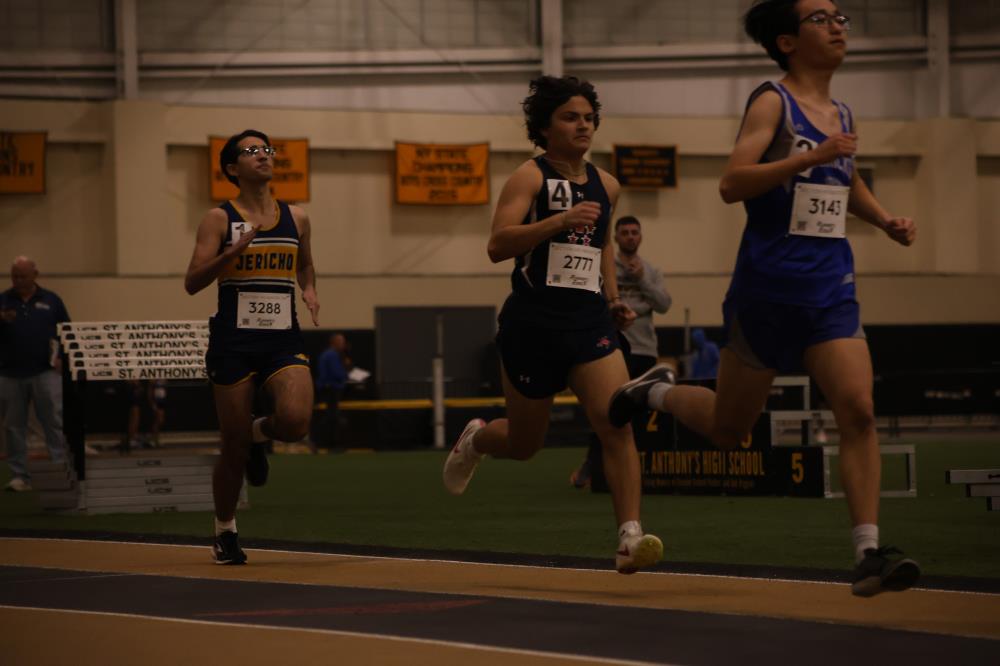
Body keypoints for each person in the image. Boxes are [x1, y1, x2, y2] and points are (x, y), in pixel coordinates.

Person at [609, 0, 920, 596]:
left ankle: (868, 553)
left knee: (858, 410)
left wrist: (884, 220)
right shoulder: (772, 102)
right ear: (786, 41)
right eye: (821, 18)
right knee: (729, 429)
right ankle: (654, 392)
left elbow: (846, 179)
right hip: (767, 289)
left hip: (830, 289)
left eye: (841, 16)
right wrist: (811, 154)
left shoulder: (842, 112)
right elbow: (733, 183)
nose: (837, 25)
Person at [442, 75, 663, 574]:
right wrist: (558, 221)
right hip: (533, 324)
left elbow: (601, 245)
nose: (583, 125)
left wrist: (613, 299)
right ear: (544, 127)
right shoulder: (530, 177)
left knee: (616, 423)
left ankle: (630, 536)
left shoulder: (607, 184)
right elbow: (498, 245)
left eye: (588, 117)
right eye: (570, 117)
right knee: (524, 445)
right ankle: (477, 439)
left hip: (589, 322)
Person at [184, 129, 319, 564]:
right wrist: (232, 253)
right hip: (234, 343)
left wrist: (309, 289)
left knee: (296, 422)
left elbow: (306, 264)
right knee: (233, 446)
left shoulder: (297, 218)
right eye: (251, 151)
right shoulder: (218, 219)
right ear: (231, 168)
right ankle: (225, 531)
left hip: (282, 339)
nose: (262, 155)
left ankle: (260, 434)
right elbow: (192, 282)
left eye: (266, 149)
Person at [570, 216, 671, 488]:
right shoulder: (605, 268)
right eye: (624, 232)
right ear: (615, 238)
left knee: (641, 417)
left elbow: (664, 304)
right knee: (606, 413)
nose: (630, 236)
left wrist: (642, 279)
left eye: (634, 232)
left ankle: (640, 472)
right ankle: (592, 469)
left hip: (645, 350)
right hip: (612, 349)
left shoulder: (651, 271)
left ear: (641, 236)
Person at [0, 256, 70, 492]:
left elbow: (67, 330)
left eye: (23, 276)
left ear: (35, 275)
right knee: (13, 426)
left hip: (45, 371)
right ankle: (20, 475)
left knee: (54, 421)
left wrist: (62, 357)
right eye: (14, 276)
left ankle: (60, 468)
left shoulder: (51, 300)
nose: (18, 280)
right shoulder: (3, 300)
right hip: (10, 373)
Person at [314, 333, 349, 449]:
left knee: (331, 416)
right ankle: (328, 443)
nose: (343, 345)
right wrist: (346, 374)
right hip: (331, 389)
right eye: (342, 342)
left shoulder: (327, 354)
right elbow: (337, 373)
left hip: (326, 389)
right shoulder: (332, 355)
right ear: (335, 342)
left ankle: (324, 442)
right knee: (332, 417)